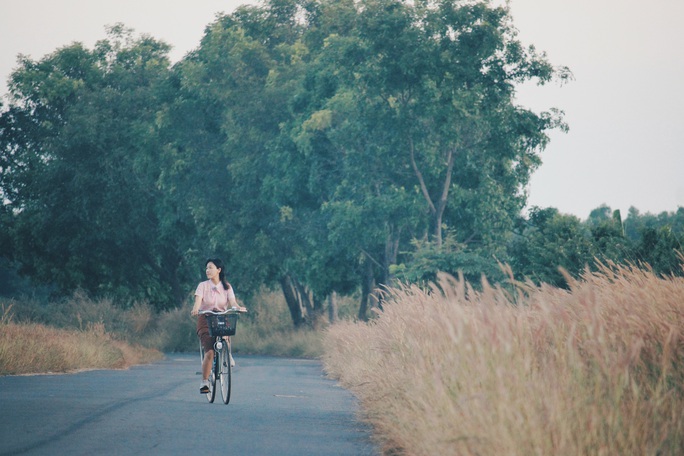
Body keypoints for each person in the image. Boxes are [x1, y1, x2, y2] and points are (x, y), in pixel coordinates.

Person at [191, 258, 246, 394]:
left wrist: (238, 307)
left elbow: (232, 301)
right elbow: (198, 301)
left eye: (210, 268)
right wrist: (196, 309)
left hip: (221, 317)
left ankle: (227, 353)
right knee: (209, 351)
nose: (207, 270)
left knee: (226, 332)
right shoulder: (202, 286)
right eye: (206, 268)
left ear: (218, 270)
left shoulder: (227, 287)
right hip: (206, 317)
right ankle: (204, 382)